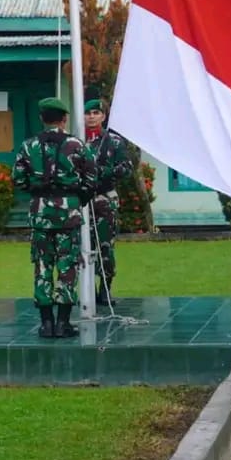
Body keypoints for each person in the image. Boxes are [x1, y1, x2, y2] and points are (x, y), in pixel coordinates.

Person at [12, 97, 97, 339]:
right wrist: (75, 199)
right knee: (67, 266)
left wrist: (39, 193)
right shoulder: (77, 145)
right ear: (64, 119)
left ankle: (46, 324)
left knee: (42, 266)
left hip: (40, 214)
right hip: (68, 213)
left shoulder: (29, 146)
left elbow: (18, 179)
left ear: (42, 118)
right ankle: (63, 323)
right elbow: (91, 179)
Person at [84, 98, 134, 305]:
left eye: (96, 113)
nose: (92, 117)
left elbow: (126, 168)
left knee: (105, 245)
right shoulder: (76, 141)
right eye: (88, 113)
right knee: (83, 246)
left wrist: (104, 172)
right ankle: (86, 290)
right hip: (81, 201)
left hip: (104, 199)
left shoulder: (113, 142)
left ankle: (105, 287)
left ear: (103, 116)